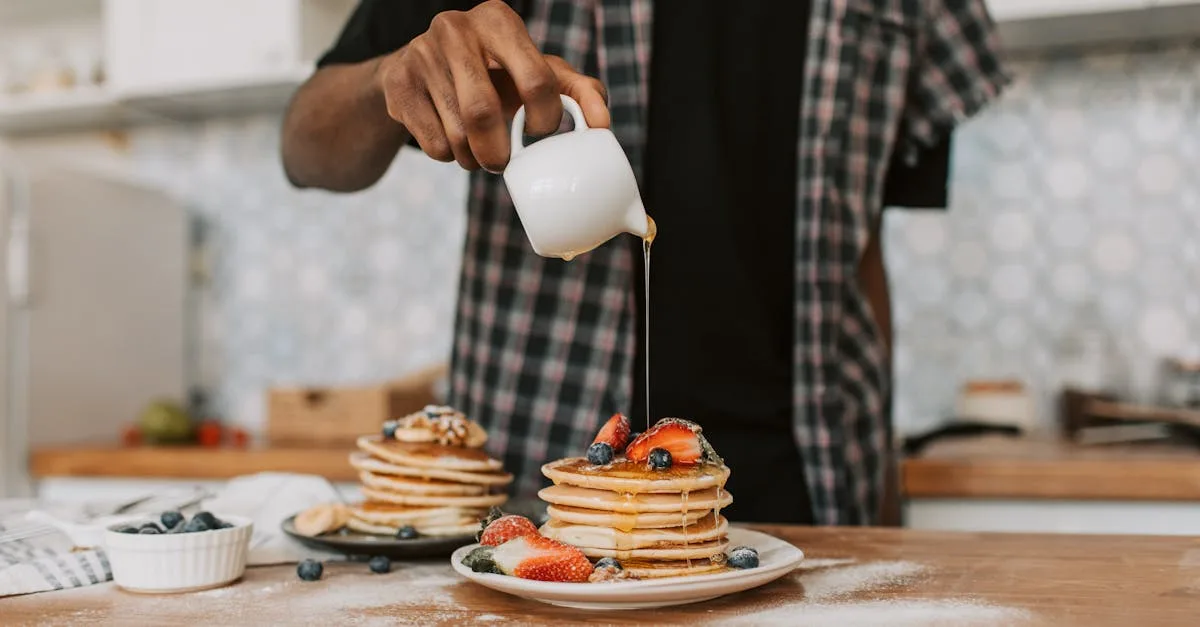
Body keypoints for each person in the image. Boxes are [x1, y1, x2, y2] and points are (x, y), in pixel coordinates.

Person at [281, 0, 1008, 525]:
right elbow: (304, 144)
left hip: (812, 489)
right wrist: (392, 78)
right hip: (546, 491)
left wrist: (882, 497)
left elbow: (862, 246)